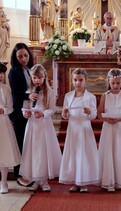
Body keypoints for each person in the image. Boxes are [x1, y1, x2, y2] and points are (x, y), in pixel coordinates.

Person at [19, 64, 62, 192]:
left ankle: (44, 180)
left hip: (44, 125)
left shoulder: (50, 92)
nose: (37, 80)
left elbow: (52, 109)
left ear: (44, 77)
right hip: (32, 125)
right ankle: (35, 179)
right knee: (33, 151)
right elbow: (25, 107)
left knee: (43, 151)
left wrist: (43, 113)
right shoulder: (28, 92)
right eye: (34, 78)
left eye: (39, 77)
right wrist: (25, 113)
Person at [59, 68, 99, 193]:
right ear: (72, 81)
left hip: (84, 128)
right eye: (75, 80)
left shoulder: (90, 97)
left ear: (85, 81)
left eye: (81, 80)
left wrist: (89, 112)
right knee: (73, 155)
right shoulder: (68, 96)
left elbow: (93, 115)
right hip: (73, 129)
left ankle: (83, 181)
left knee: (84, 155)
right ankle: (75, 181)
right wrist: (64, 113)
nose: (78, 83)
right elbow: (65, 115)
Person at [8, 43, 37, 187]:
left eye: (25, 55)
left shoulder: (32, 69)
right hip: (19, 111)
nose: (23, 59)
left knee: (29, 142)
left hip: (32, 110)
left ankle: (30, 171)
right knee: (20, 142)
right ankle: (18, 174)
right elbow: (16, 93)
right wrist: (28, 95)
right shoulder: (13, 72)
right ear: (15, 57)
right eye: (20, 56)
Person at [0, 62, 21, 194]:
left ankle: (4, 181)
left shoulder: (6, 89)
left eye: (2, 73)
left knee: (4, 152)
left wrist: (3, 110)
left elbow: (11, 107)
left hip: (3, 122)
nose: (1, 75)